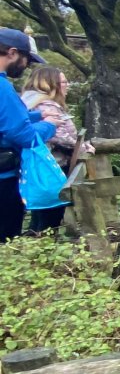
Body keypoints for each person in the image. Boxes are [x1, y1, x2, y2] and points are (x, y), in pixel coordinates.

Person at [0, 28, 55, 242]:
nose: (28, 66)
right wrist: (49, 125)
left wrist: (38, 114)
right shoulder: (2, 86)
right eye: (27, 60)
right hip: (3, 180)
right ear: (12, 53)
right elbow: (22, 135)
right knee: (6, 239)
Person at [22, 65, 91, 233]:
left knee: (40, 213)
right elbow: (59, 136)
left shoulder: (28, 101)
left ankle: (33, 249)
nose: (67, 85)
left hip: (36, 165)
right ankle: (43, 250)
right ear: (50, 84)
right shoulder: (46, 106)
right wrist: (83, 146)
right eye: (63, 82)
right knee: (51, 213)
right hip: (51, 165)